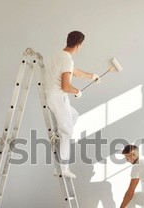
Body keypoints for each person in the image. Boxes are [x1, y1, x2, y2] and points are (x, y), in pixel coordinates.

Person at [46, 30, 99, 178]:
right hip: (59, 98)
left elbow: (73, 71)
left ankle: (59, 132)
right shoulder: (67, 60)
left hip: (52, 97)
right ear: (79, 45)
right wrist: (76, 91)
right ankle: (62, 169)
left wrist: (91, 76)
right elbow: (65, 86)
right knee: (66, 134)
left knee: (74, 115)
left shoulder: (58, 55)